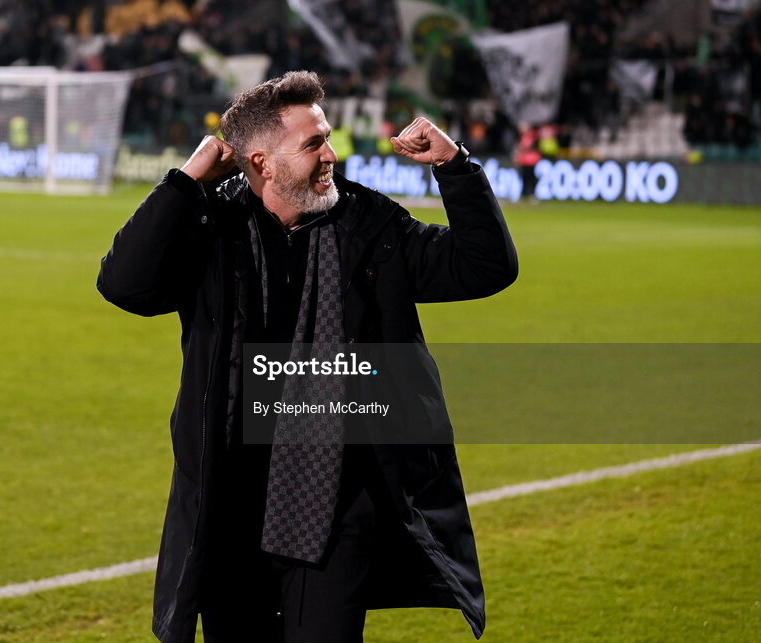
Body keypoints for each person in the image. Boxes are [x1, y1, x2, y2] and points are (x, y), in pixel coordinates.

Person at [97, 71, 518, 643]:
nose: (331, 155)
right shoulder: (211, 226)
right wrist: (186, 180)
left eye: (327, 138)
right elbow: (124, 285)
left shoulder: (369, 225)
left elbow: (485, 267)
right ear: (263, 163)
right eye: (313, 143)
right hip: (230, 501)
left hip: (337, 506)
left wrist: (454, 166)